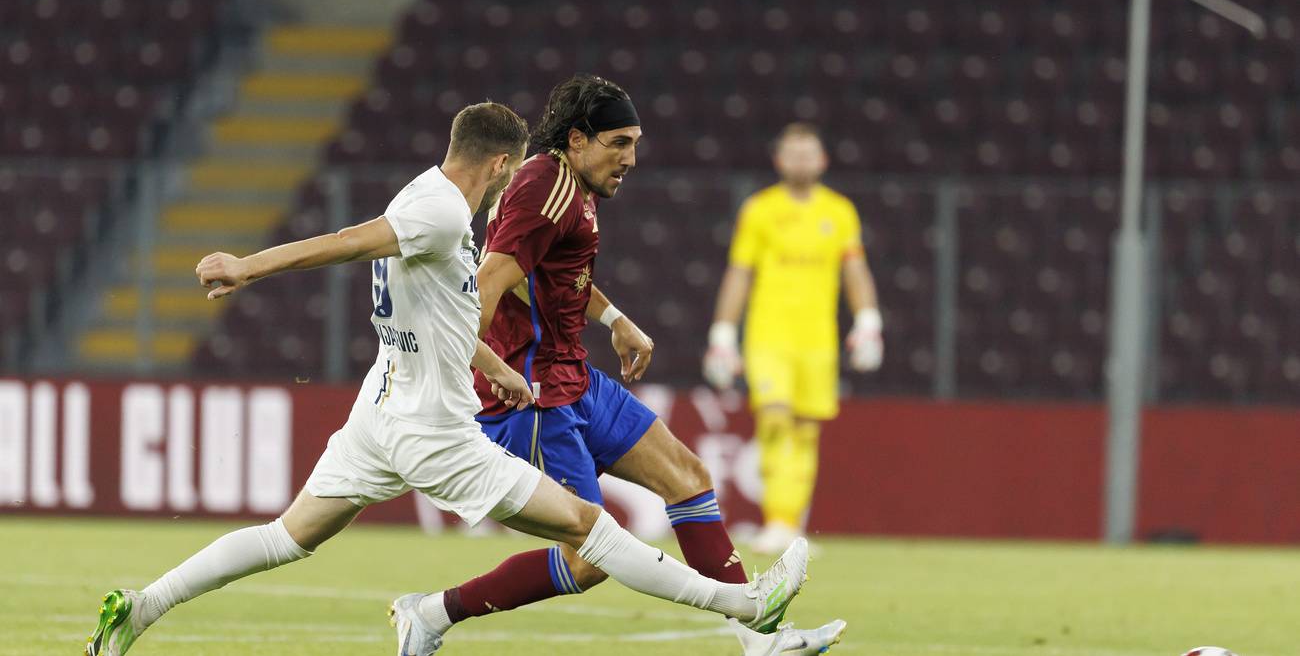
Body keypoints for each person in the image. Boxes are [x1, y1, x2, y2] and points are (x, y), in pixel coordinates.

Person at [83, 102, 809, 656]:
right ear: (499, 165)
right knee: (592, 531)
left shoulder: (430, 198)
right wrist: (247, 265)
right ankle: (746, 609)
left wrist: (493, 365)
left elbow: (445, 316)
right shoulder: (434, 212)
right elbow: (342, 242)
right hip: (431, 430)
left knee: (287, 535)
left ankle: (141, 608)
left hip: (381, 407)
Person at [409, 76, 845, 656]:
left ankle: (757, 640)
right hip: (535, 394)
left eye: (635, 143)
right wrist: (484, 372)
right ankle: (434, 613)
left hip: (576, 377)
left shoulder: (570, 183)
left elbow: (556, 273)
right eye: (619, 143)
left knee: (687, 479)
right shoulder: (545, 189)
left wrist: (613, 317)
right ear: (578, 139)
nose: (630, 159)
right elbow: (487, 283)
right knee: (587, 562)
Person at [704, 122, 884, 555]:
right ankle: (777, 523)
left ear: (822, 160)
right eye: (793, 152)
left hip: (818, 342)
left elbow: (854, 269)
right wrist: (723, 333)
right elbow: (740, 272)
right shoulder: (759, 210)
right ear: (779, 160)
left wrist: (868, 321)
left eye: (809, 152)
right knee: (776, 420)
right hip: (770, 337)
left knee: (805, 432)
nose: (801, 159)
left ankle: (789, 523)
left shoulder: (840, 211)